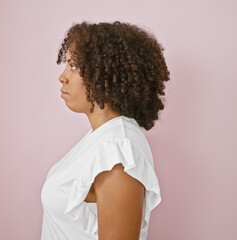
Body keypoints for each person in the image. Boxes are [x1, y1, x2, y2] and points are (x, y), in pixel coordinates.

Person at [41, 20, 170, 240]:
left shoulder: (118, 149)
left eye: (73, 66)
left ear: (105, 74)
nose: (62, 76)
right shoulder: (102, 138)